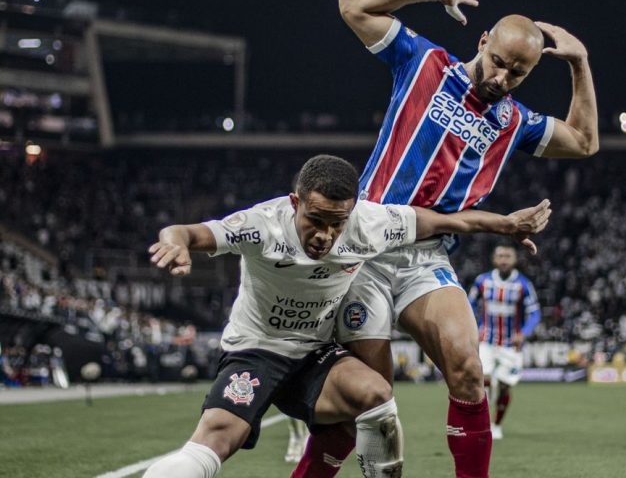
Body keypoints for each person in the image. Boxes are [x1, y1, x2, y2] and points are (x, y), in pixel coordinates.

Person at [294, 0, 598, 478]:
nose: (502, 78)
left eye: (517, 73)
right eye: (498, 62)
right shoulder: (423, 62)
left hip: (426, 258)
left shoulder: (514, 120)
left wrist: (580, 65)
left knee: (468, 368)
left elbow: (585, 142)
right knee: (367, 400)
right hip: (364, 246)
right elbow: (352, 5)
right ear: (482, 41)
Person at [142, 154, 551, 478]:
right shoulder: (261, 225)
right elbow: (188, 232)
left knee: (377, 396)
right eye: (314, 220)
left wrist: (504, 225)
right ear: (295, 202)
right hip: (256, 352)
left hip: (315, 356)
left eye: (336, 223)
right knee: (217, 439)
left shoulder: (369, 223)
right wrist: (174, 243)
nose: (324, 235)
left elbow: (444, 221)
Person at [467, 243, 541, 440]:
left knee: (506, 385)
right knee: (484, 379)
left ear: (514, 259)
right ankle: (482, 422)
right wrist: (471, 327)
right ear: (494, 259)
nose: (504, 260)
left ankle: (496, 424)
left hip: (511, 344)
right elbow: (468, 304)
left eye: (508, 256)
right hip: (487, 341)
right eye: (500, 256)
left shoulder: (523, 285)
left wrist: (524, 333)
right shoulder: (482, 281)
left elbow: (534, 313)